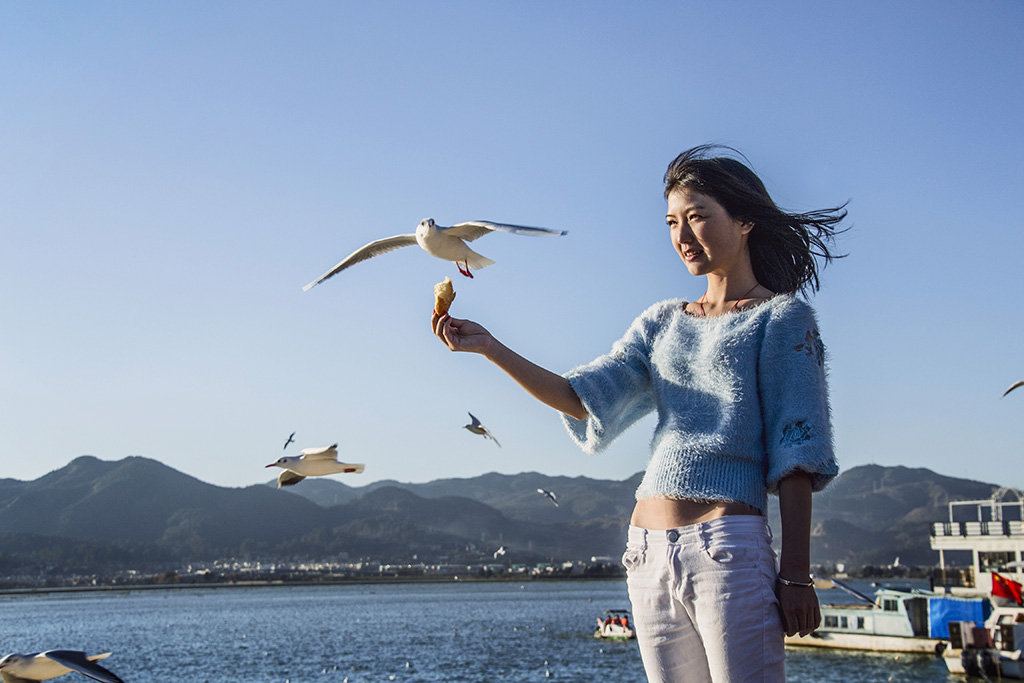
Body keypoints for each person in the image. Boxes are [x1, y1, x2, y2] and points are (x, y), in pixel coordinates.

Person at [431, 144, 846, 682]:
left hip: (729, 551)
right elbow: (581, 397)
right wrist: (490, 346)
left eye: (697, 217)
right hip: (646, 556)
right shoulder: (661, 322)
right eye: (673, 221)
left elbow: (798, 451)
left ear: (745, 221)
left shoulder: (783, 318)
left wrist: (796, 575)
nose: (682, 235)